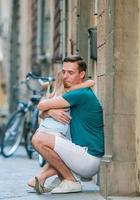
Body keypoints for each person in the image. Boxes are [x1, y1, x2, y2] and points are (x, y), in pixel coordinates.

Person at [30, 55, 104, 194]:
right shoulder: (78, 92)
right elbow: (43, 113)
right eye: (63, 72)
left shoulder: (80, 94)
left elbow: (41, 105)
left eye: (70, 73)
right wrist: (51, 112)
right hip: (83, 153)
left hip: (89, 158)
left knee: (38, 139)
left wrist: (48, 110)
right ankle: (51, 177)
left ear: (82, 74)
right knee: (53, 138)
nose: (65, 76)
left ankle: (70, 180)